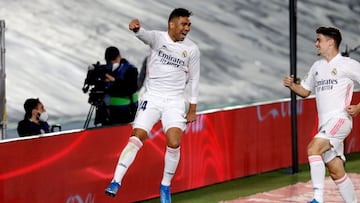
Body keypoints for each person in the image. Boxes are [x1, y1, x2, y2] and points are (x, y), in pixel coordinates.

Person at [104, 8, 200, 203]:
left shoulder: (192, 49)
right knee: (136, 137)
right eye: (184, 24)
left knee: (174, 142)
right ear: (172, 24)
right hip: (153, 98)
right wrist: (136, 29)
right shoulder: (158, 38)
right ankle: (116, 181)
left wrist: (192, 109)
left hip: (174, 101)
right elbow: (144, 35)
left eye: (189, 25)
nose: (187, 28)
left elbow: (195, 80)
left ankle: (165, 186)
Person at [283, 26, 359, 203]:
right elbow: (305, 91)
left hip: (340, 120)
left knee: (313, 148)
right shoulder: (317, 67)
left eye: (319, 40)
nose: (316, 43)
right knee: (335, 170)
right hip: (325, 125)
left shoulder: (347, 64)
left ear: (330, 42)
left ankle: (317, 198)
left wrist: (358, 107)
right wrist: (292, 86)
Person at [97, 46, 139, 125]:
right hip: (108, 112)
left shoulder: (130, 70)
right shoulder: (106, 70)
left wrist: (114, 81)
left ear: (119, 57)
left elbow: (131, 89)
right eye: (109, 61)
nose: (112, 63)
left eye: (114, 60)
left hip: (126, 111)